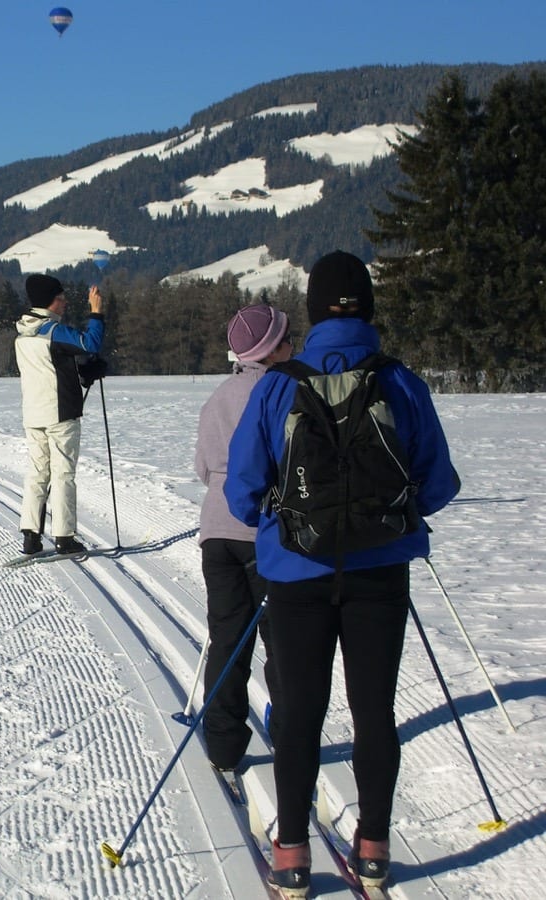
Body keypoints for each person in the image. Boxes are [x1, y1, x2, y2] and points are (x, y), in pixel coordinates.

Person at [225, 251, 460, 897]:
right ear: (369, 308)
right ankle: (375, 849)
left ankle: (293, 855)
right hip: (381, 574)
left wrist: (284, 517)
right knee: (373, 711)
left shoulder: (279, 385)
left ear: (311, 310)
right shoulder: (402, 382)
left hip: (296, 571)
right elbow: (438, 485)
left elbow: (243, 492)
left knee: (300, 713)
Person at [194, 303, 291, 773]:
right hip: (264, 531)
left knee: (228, 639)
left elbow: (201, 467)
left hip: (216, 531)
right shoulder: (283, 391)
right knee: (281, 641)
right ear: (272, 348)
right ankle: (289, 729)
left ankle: (223, 743)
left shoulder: (219, 395)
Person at [15, 274, 104, 555]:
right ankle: (64, 538)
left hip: (33, 414)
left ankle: (31, 536)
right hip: (61, 414)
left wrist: (80, 373)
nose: (65, 302)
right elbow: (90, 343)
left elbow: (50, 367)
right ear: (49, 301)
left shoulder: (22, 333)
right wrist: (96, 312)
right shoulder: (53, 331)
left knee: (37, 474)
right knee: (64, 473)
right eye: (60, 297)